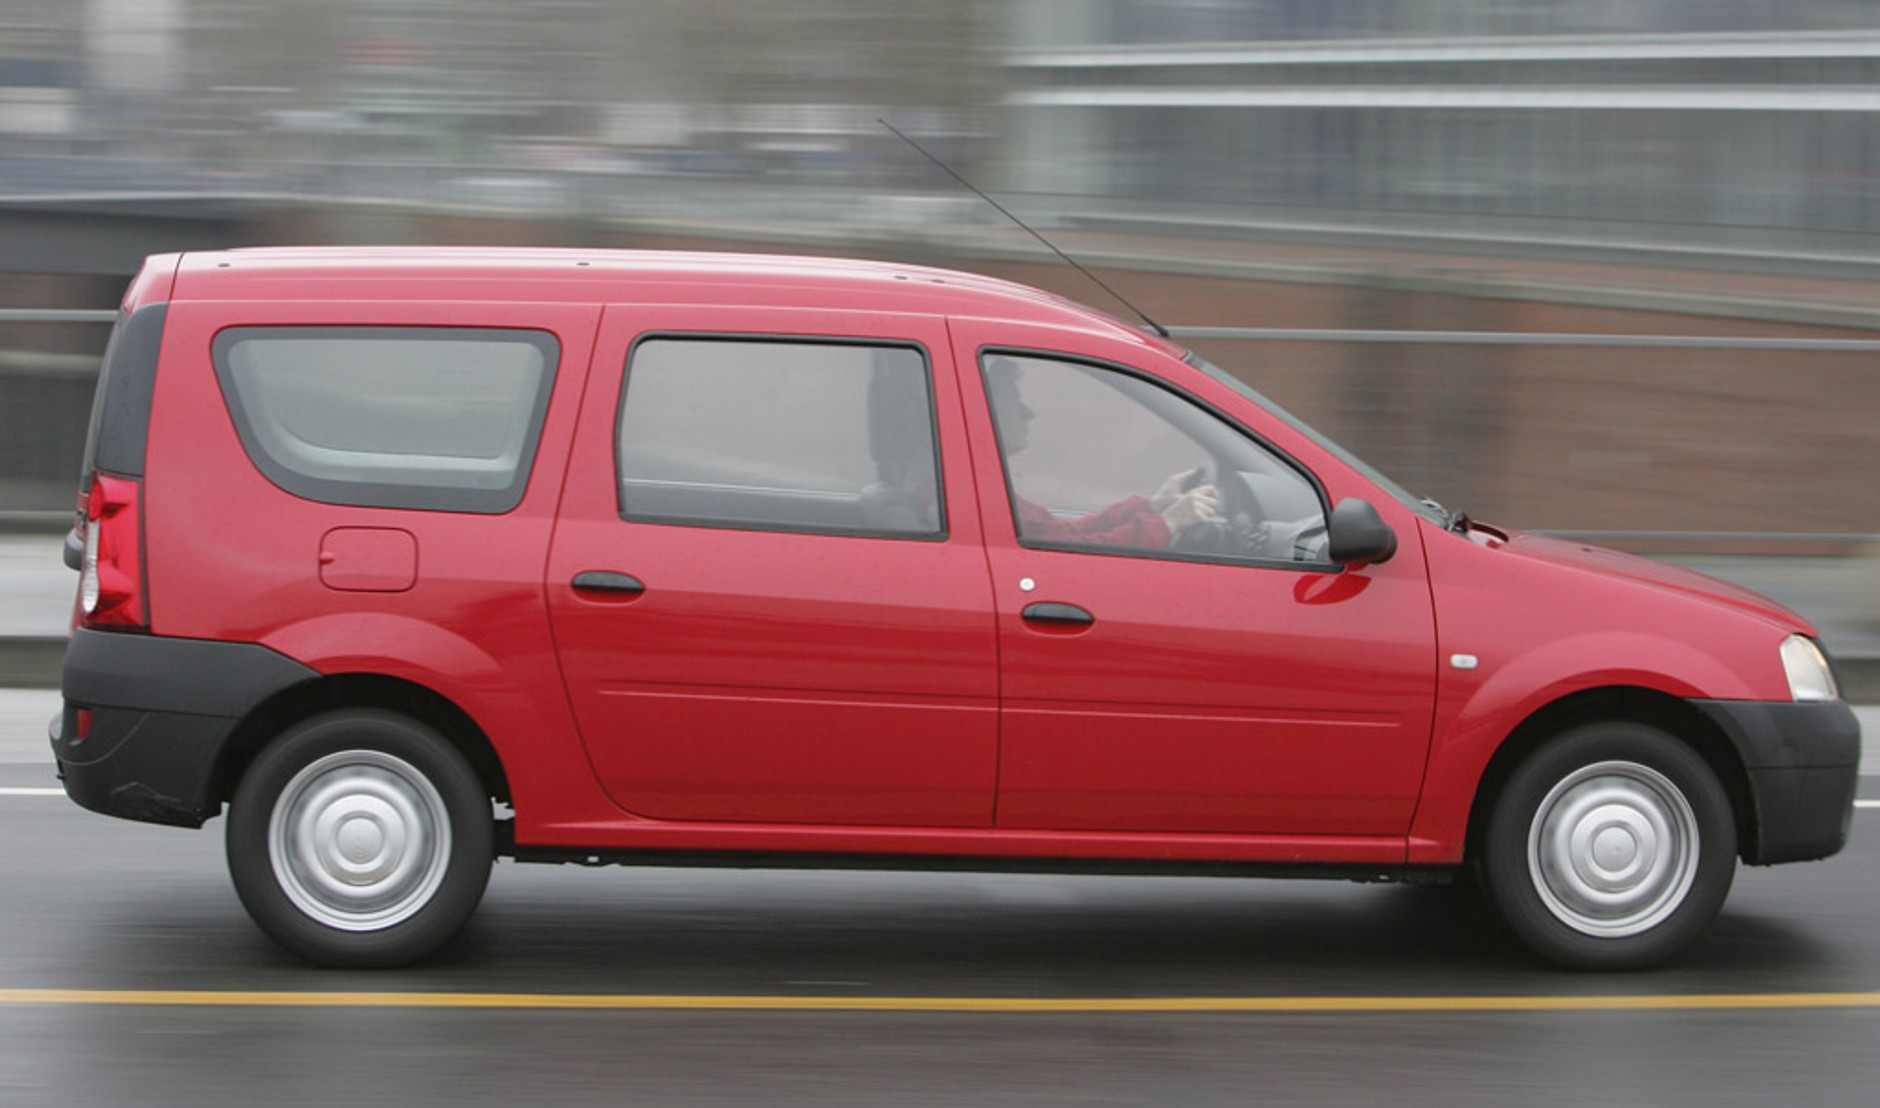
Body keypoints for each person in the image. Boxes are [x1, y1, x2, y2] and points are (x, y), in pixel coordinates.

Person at [985, 356, 1223, 549]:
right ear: (987, 409)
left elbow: (1065, 534)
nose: (1028, 413)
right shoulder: (988, 497)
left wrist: (1152, 506)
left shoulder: (991, 491)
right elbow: (1070, 554)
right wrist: (1169, 523)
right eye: (1014, 401)